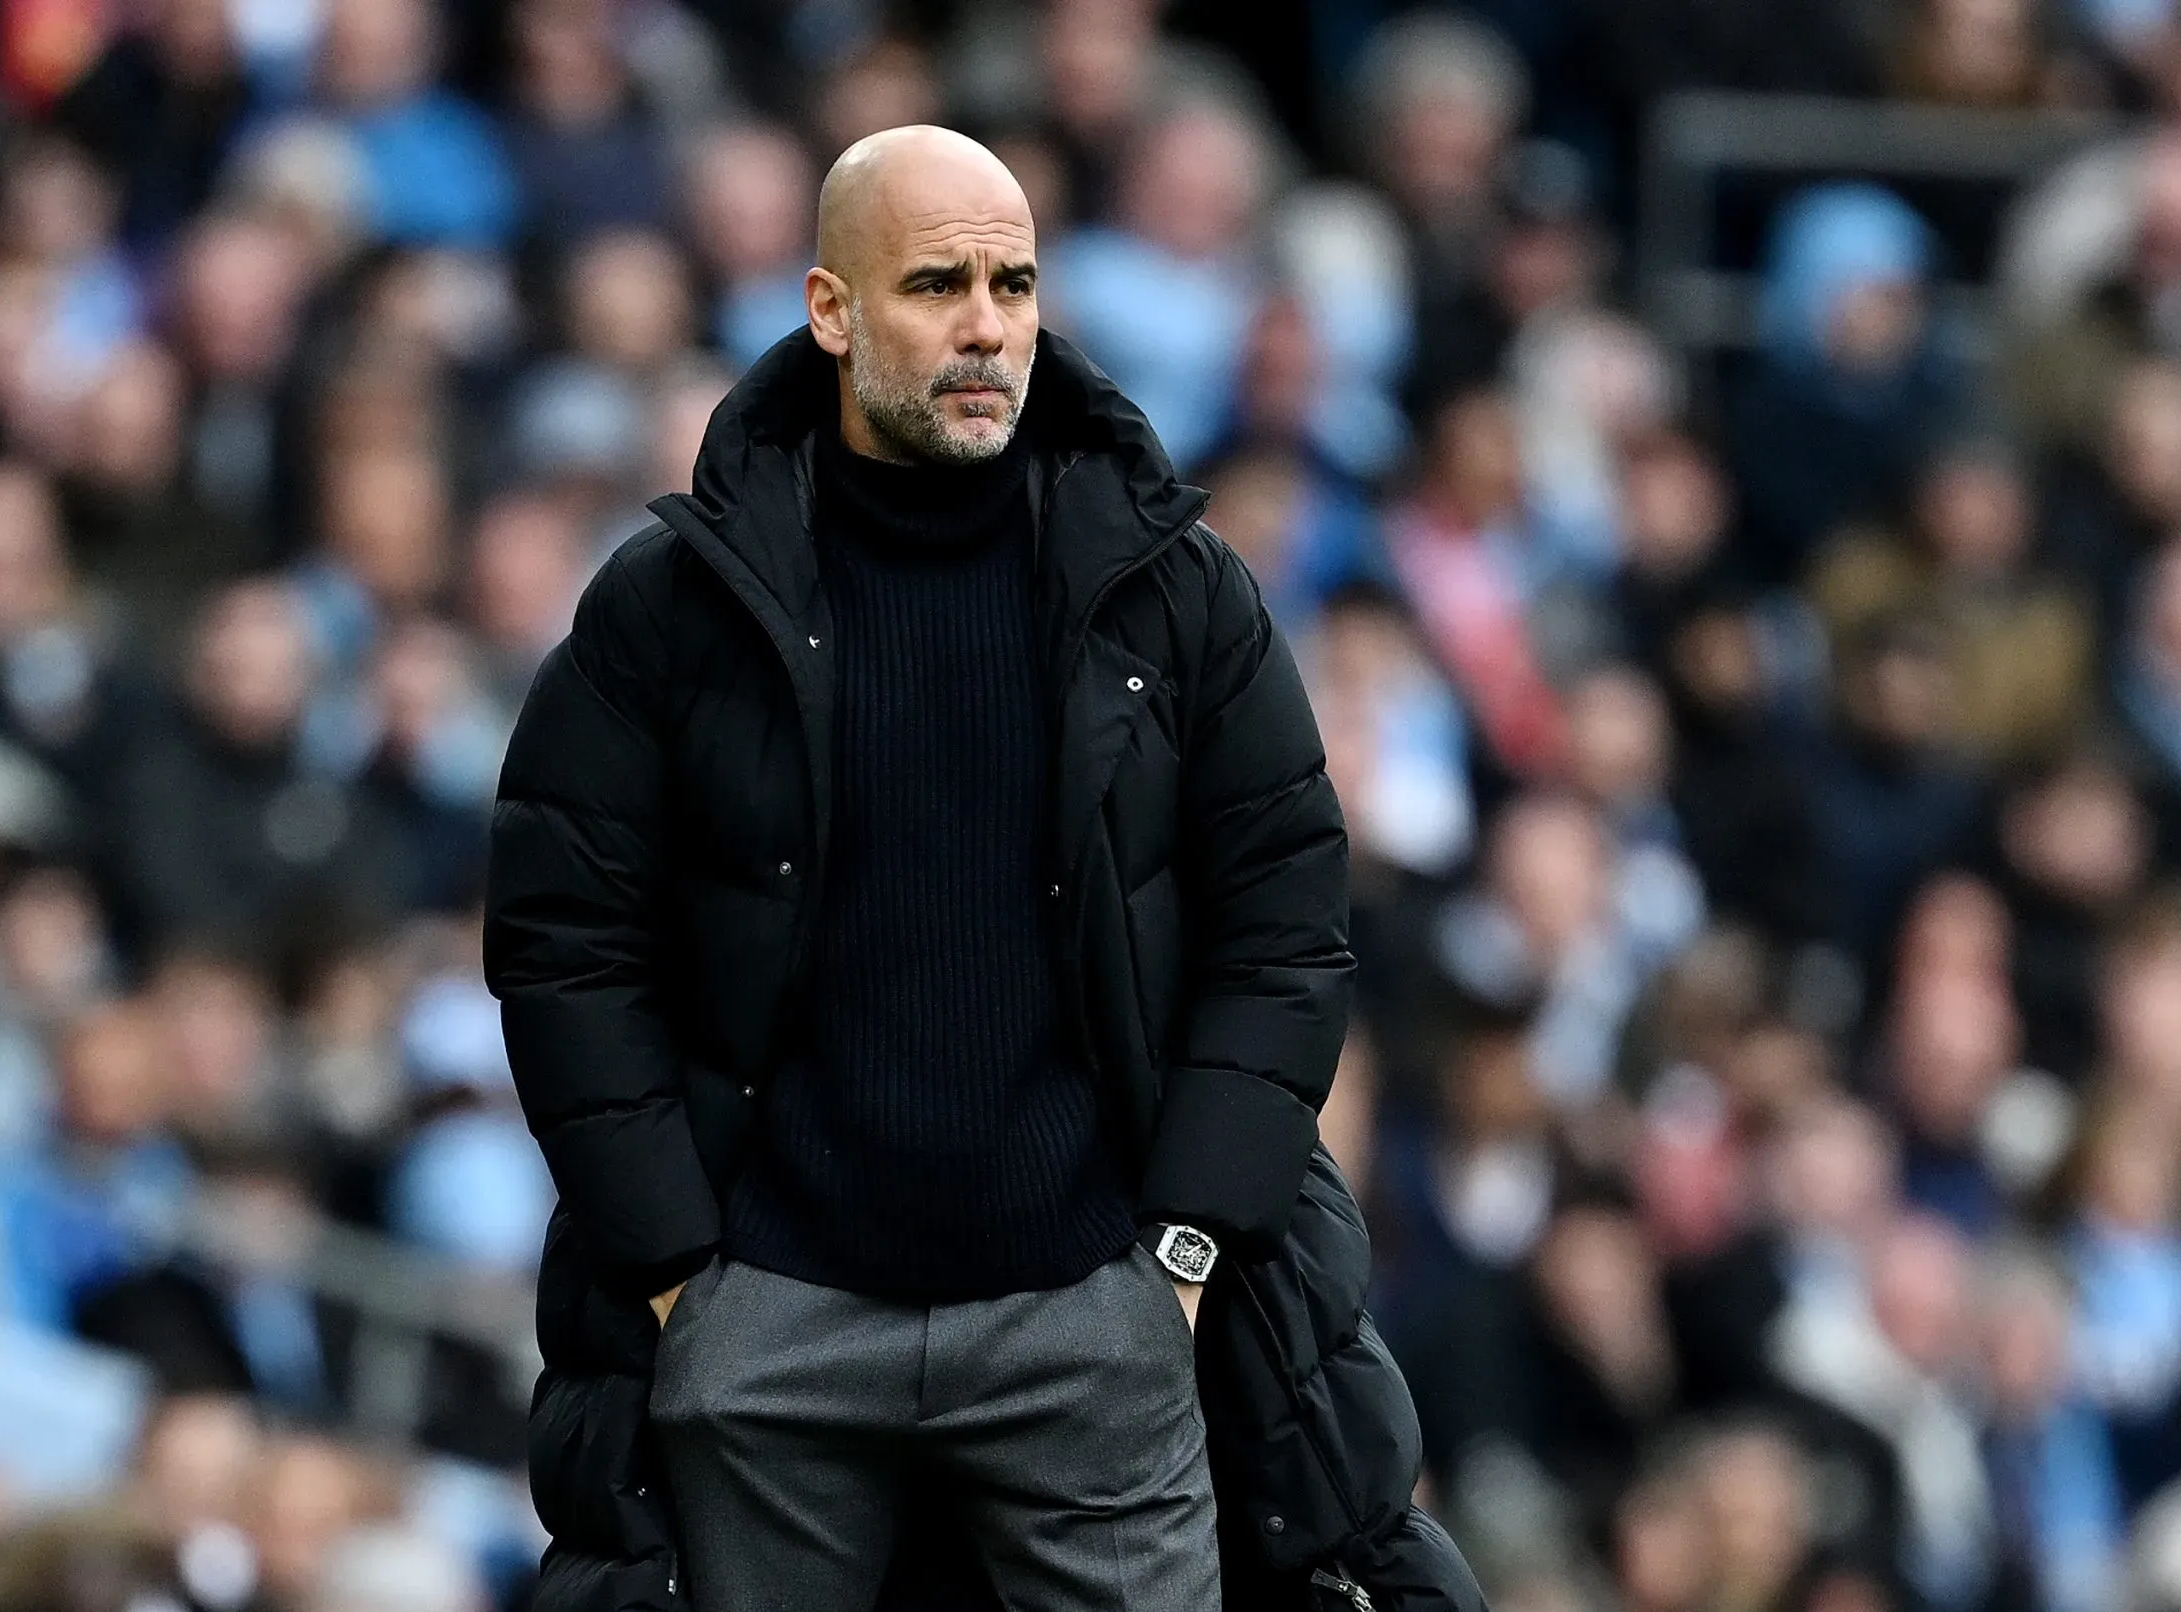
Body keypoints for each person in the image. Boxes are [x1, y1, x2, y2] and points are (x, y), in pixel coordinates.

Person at [487, 126, 1475, 1612]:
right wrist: (685, 1269)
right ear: (830, 311)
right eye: (937, 284)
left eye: (1013, 283)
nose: (985, 326)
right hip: (773, 1327)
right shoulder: (671, 606)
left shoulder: (1178, 591)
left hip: (1095, 1321)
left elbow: (1286, 929)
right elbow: (564, 943)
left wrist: (1182, 1257)